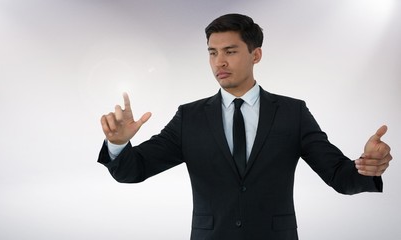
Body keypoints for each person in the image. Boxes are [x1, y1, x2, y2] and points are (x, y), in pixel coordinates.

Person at [98, 13, 392, 240]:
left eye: (230, 51)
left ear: (256, 54)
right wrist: (118, 144)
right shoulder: (190, 117)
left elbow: (339, 176)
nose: (219, 62)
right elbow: (132, 171)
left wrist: (368, 166)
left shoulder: (293, 112)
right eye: (212, 53)